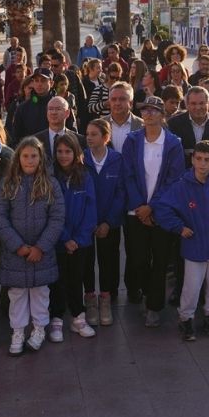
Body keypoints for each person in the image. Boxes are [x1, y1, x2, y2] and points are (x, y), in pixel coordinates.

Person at [152, 140, 209, 342]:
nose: (202, 163)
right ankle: (186, 318)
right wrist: (179, 227)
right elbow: (163, 208)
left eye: (207, 160)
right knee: (192, 285)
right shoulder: (181, 186)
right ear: (192, 159)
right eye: (198, 159)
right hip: (194, 246)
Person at [0, 137, 66, 356]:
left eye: (34, 156)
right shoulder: (8, 183)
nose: (29, 160)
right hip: (15, 253)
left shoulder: (50, 183)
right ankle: (18, 331)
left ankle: (38, 329)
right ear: (18, 158)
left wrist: (40, 247)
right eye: (25, 156)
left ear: (40, 158)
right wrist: (18, 246)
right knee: (17, 295)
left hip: (41, 253)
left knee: (40, 293)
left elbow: (57, 217)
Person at [121, 96, 186, 327]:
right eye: (145, 110)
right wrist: (141, 207)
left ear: (162, 115)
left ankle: (154, 306)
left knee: (159, 260)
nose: (148, 114)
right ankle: (147, 292)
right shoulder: (132, 140)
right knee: (138, 259)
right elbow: (127, 175)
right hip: (136, 213)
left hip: (162, 212)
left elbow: (174, 180)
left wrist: (153, 207)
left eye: (153, 110)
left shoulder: (173, 143)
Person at [46, 132, 98, 342]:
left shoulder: (84, 175)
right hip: (58, 240)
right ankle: (57, 318)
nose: (63, 155)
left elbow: (90, 209)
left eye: (68, 151)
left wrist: (78, 238)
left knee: (77, 279)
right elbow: (50, 211)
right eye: (59, 151)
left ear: (76, 152)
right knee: (57, 280)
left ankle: (78, 317)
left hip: (80, 242)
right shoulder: (50, 177)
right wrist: (64, 238)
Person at [82, 119, 125, 327]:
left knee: (109, 260)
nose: (89, 138)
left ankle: (106, 298)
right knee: (87, 261)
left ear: (106, 138)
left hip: (110, 223)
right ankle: (90, 298)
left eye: (94, 134)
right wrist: (88, 222)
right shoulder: (81, 159)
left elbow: (121, 192)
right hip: (86, 224)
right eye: (87, 134)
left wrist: (108, 222)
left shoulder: (117, 159)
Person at [168, 86, 209, 164]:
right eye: (193, 103)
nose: (198, 107)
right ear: (187, 105)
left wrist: (190, 153)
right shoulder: (174, 124)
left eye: (201, 103)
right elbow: (173, 154)